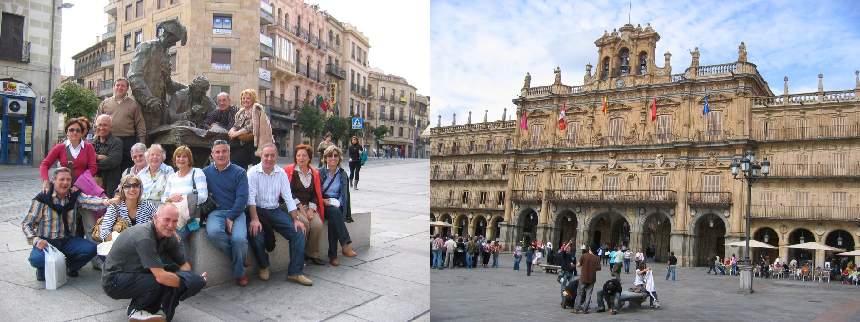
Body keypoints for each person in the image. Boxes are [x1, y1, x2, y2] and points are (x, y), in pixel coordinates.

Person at [102, 203, 207, 322]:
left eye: (174, 221)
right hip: (114, 281)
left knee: (173, 273)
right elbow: (161, 277)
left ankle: (149, 309)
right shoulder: (144, 236)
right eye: (166, 220)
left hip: (136, 272)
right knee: (163, 281)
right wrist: (191, 283)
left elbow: (184, 265)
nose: (171, 225)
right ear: (155, 218)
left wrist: (192, 278)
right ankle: (137, 310)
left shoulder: (169, 236)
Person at [246, 144, 313, 286]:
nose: (269, 159)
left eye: (272, 155)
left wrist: (296, 219)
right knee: (256, 234)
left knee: (298, 232)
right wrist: (254, 219)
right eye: (266, 155)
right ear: (261, 156)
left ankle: (295, 272)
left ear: (276, 156)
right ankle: (263, 265)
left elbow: (288, 197)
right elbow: (250, 198)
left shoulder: (281, 173)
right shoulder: (252, 172)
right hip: (257, 210)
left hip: (275, 210)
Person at [22, 167, 98, 281]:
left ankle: (68, 267)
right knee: (36, 259)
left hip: (67, 240)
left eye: (68, 179)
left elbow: (91, 201)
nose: (65, 182)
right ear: (53, 180)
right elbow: (26, 224)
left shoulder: (73, 196)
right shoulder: (42, 199)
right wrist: (36, 241)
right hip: (47, 242)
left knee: (92, 249)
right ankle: (43, 269)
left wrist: (110, 201)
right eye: (61, 179)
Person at [203, 140, 250, 286]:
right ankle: (240, 259)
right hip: (216, 212)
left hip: (237, 211)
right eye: (217, 152)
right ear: (212, 154)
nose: (221, 154)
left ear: (229, 153)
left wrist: (231, 217)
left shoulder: (240, 172)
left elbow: (242, 198)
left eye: (224, 151)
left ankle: (239, 273)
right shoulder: (205, 172)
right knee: (214, 233)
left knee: (239, 240)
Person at [283, 144, 326, 266]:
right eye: (298, 155)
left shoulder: (314, 172)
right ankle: (300, 255)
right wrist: (301, 208)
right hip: (293, 206)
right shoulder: (289, 171)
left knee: (317, 225)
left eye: (304, 155)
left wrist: (311, 210)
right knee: (305, 224)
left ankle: (312, 254)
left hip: (309, 206)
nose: (301, 158)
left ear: (309, 158)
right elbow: (287, 192)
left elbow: (315, 193)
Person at [318, 145, 359, 265]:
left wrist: (338, 203)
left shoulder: (342, 174)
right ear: (325, 158)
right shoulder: (319, 172)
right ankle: (345, 245)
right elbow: (314, 192)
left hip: (335, 204)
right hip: (322, 203)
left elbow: (344, 194)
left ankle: (333, 256)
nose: (333, 158)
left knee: (334, 217)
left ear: (339, 158)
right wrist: (323, 201)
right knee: (335, 214)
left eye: (336, 155)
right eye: (330, 155)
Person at [97, 77, 147, 170]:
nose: (120, 88)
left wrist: (142, 143)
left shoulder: (133, 104)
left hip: (128, 141)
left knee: (127, 167)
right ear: (114, 87)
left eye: (123, 86)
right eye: (117, 85)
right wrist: (98, 139)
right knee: (110, 167)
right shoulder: (104, 104)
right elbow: (97, 123)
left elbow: (140, 124)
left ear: (127, 88)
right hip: (109, 141)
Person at [40, 118, 98, 192]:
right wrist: (45, 181)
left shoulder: (89, 147)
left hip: (83, 188)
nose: (74, 132)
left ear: (81, 133)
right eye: (71, 130)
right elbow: (44, 164)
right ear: (67, 132)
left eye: (78, 130)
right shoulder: (59, 147)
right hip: (63, 187)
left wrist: (80, 184)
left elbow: (93, 168)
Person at [161, 146, 208, 239]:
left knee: (174, 238)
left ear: (189, 159)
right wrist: (170, 199)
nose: (181, 159)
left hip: (191, 217)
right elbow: (163, 198)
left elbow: (203, 196)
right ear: (175, 159)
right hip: (172, 215)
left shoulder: (197, 172)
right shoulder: (172, 177)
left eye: (184, 156)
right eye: (178, 156)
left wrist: (182, 200)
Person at [98, 174, 156, 242]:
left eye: (135, 186)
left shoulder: (147, 205)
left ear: (140, 188)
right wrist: (126, 240)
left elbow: (159, 223)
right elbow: (103, 233)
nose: (132, 189)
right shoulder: (115, 207)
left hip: (144, 244)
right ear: (122, 189)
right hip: (121, 247)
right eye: (127, 186)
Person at [227, 89, 274, 169]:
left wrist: (236, 133)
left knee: (258, 167)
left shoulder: (256, 109)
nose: (245, 100)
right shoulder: (241, 112)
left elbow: (252, 126)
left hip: (257, 142)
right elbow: (236, 125)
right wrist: (231, 131)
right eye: (243, 98)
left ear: (253, 99)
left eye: (248, 98)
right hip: (244, 143)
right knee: (236, 161)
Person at [91, 115, 124, 197]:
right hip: (94, 184)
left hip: (110, 185)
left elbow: (112, 162)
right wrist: (98, 157)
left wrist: (92, 162)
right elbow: (85, 160)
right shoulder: (92, 143)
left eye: (105, 125)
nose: (102, 128)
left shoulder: (117, 142)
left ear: (111, 127)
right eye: (99, 125)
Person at [574, 246, 600, 314]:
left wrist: (577, 264)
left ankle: (576, 309)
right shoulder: (597, 258)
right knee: (589, 294)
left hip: (583, 278)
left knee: (579, 293)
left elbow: (578, 265)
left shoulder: (584, 255)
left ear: (590, 248)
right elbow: (598, 268)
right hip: (592, 279)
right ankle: (585, 309)